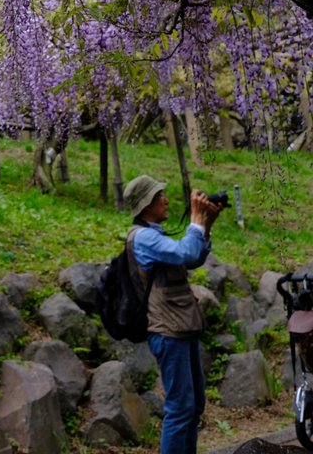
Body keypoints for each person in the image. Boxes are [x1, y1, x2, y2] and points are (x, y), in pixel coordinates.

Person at [123, 174, 223, 454]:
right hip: (167, 331)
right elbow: (183, 253)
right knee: (180, 408)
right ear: (146, 205)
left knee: (193, 405)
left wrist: (207, 223)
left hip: (181, 326)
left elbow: (194, 257)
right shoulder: (143, 238)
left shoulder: (154, 235)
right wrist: (194, 219)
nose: (166, 200)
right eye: (159, 197)